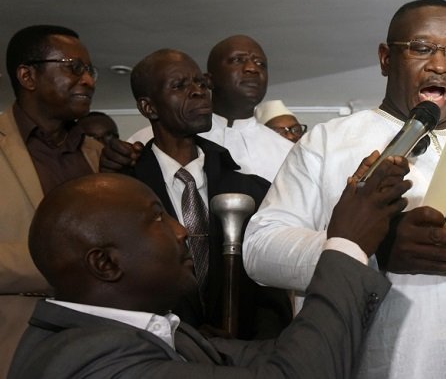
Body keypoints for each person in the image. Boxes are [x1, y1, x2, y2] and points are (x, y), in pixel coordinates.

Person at [243, 0, 446, 378]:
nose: (440, 65)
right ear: (385, 59)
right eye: (422, 48)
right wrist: (372, 248)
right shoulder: (328, 141)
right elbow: (260, 249)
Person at [8, 164, 410, 378]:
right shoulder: (94, 361)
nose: (182, 230)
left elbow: (281, 355)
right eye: (157, 219)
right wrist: (345, 242)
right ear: (106, 263)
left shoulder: (140, 331)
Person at [120, 48, 292, 339]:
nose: (198, 92)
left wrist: (249, 349)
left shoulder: (251, 190)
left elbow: (270, 291)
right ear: (149, 107)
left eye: (201, 83)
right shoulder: (124, 193)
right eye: (180, 86)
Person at [0, 25, 102, 377]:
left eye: (90, 70)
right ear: (28, 75)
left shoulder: (99, 155)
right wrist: (73, 265)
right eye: (74, 67)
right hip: (15, 344)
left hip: (104, 348)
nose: (88, 81)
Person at [102, 35, 292, 182]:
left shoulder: (288, 152)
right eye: (237, 60)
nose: (252, 68)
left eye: (261, 64)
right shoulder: (144, 140)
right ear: (208, 79)